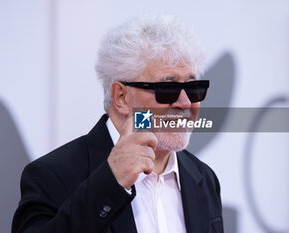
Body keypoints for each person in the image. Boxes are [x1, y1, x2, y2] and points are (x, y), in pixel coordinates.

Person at [12, 14, 224, 233]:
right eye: (167, 89)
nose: (185, 102)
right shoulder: (52, 175)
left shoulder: (203, 178)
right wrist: (111, 181)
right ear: (121, 97)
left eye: (193, 87)